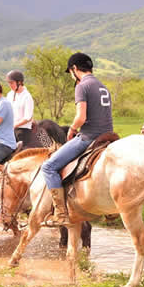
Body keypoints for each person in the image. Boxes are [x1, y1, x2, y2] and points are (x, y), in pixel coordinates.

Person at [41, 52, 113, 226]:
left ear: (74, 69)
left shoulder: (82, 86)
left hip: (90, 136)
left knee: (48, 167)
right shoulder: (102, 86)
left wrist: (72, 129)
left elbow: (81, 117)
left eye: (71, 71)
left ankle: (60, 214)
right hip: (108, 135)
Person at [6, 70, 34, 144]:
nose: (10, 85)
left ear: (19, 82)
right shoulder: (9, 94)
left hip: (22, 129)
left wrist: (14, 125)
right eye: (9, 83)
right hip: (10, 128)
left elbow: (28, 118)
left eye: (11, 83)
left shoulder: (27, 97)